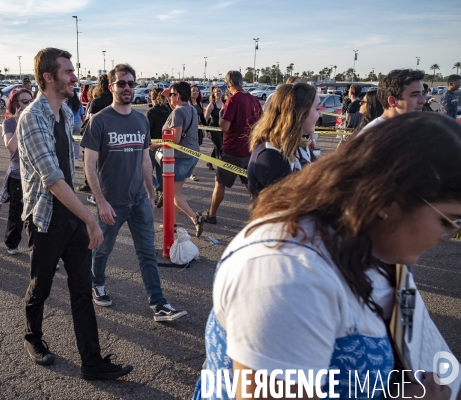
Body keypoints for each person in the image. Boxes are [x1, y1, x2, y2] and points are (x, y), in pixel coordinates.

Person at [193, 112, 461, 400]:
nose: (448, 239)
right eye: (447, 222)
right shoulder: (288, 275)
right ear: (389, 201)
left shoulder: (375, 240)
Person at [16, 47, 132, 380]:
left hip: (71, 215)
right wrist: (91, 217)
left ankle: (92, 363)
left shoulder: (67, 113)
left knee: (82, 290)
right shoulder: (30, 119)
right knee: (41, 286)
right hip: (46, 218)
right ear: (48, 77)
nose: (74, 77)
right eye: (67, 72)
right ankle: (33, 337)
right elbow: (52, 179)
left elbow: (72, 165)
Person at [82, 64, 187, 321]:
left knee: (146, 254)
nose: (127, 87)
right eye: (121, 83)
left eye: (130, 83)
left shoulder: (141, 120)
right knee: (103, 249)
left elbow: (145, 161)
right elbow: (89, 166)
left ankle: (159, 304)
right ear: (111, 87)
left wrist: (151, 193)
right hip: (111, 202)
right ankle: (96, 283)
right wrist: (101, 202)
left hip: (139, 199)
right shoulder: (100, 120)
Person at [205, 71, 261, 224]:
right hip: (250, 150)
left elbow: (224, 127)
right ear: (241, 82)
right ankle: (260, 214)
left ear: (228, 85)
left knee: (220, 183)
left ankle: (212, 214)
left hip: (232, 150)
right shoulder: (254, 100)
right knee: (250, 184)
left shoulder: (232, 101)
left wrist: (222, 114)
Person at [247, 83, 320, 198]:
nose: (320, 114)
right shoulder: (269, 155)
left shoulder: (299, 146)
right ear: (300, 114)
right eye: (316, 108)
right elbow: (299, 202)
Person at [163, 81, 205, 236]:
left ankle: (195, 218)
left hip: (181, 156)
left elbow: (175, 139)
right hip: (192, 154)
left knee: (174, 194)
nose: (170, 97)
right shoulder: (192, 109)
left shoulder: (178, 112)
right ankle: (171, 223)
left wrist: (156, 145)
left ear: (178, 95)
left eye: (172, 95)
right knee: (177, 192)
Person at [0, 88, 33, 255]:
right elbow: (11, 147)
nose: (29, 104)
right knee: (17, 212)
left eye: (31, 101)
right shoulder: (9, 123)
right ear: (15, 105)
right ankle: (12, 242)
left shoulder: (37, 120)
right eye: (25, 102)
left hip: (36, 175)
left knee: (37, 215)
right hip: (17, 175)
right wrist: (20, 123)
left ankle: (40, 251)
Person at [357, 69, 426, 136]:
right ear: (392, 101)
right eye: (414, 95)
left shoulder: (412, 128)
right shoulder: (374, 135)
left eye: (423, 93)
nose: (423, 100)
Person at [78, 74, 113, 195]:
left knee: (92, 163)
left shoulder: (96, 102)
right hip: (114, 137)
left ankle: (92, 186)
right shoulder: (115, 100)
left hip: (98, 137)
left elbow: (90, 121)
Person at [146, 88, 171, 207]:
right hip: (165, 146)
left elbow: (147, 131)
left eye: (151, 96)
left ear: (154, 97)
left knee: (145, 170)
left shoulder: (151, 113)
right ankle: (164, 195)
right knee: (162, 173)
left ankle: (158, 188)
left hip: (152, 146)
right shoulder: (169, 111)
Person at [187, 84, 206, 181]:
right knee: (192, 152)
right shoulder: (187, 104)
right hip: (189, 131)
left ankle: (189, 170)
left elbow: (202, 118)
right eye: (193, 90)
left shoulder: (199, 103)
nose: (195, 92)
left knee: (196, 152)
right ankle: (192, 173)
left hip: (197, 130)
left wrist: (207, 130)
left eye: (197, 91)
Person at [204, 86, 224, 170]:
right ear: (214, 94)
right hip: (213, 128)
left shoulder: (224, 104)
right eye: (216, 92)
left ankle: (209, 162)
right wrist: (207, 131)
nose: (218, 93)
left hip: (222, 128)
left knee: (218, 145)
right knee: (219, 145)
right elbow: (205, 118)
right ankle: (219, 165)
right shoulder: (212, 105)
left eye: (219, 91)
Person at [68, 89, 84, 158]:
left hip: (69, 123)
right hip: (78, 123)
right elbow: (82, 114)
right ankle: (76, 158)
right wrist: (83, 124)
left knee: (69, 141)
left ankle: (69, 156)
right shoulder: (79, 104)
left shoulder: (67, 104)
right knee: (77, 142)